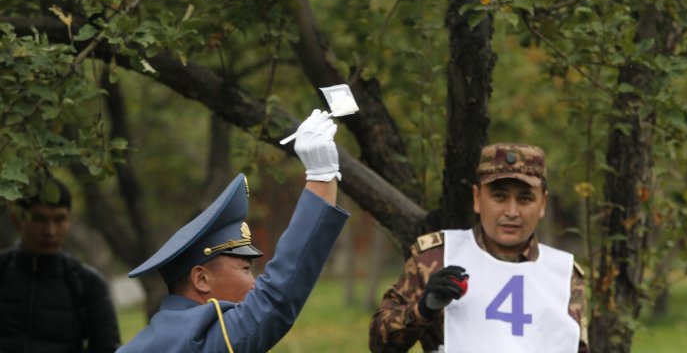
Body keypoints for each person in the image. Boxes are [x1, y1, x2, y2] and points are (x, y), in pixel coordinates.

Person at [117, 109, 350, 353]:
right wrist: (321, 176)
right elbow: (274, 300)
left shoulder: (162, 336)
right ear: (201, 279)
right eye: (245, 269)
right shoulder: (196, 340)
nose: (254, 284)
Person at [369, 143, 589, 353]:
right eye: (499, 196)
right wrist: (423, 309)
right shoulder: (436, 258)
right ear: (477, 198)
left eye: (525, 198)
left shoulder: (565, 274)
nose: (512, 211)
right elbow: (381, 344)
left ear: (542, 204)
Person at [0, 177, 121, 353]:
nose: (50, 231)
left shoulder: (87, 283)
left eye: (59, 219)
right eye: (39, 219)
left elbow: (107, 347)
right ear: (17, 219)